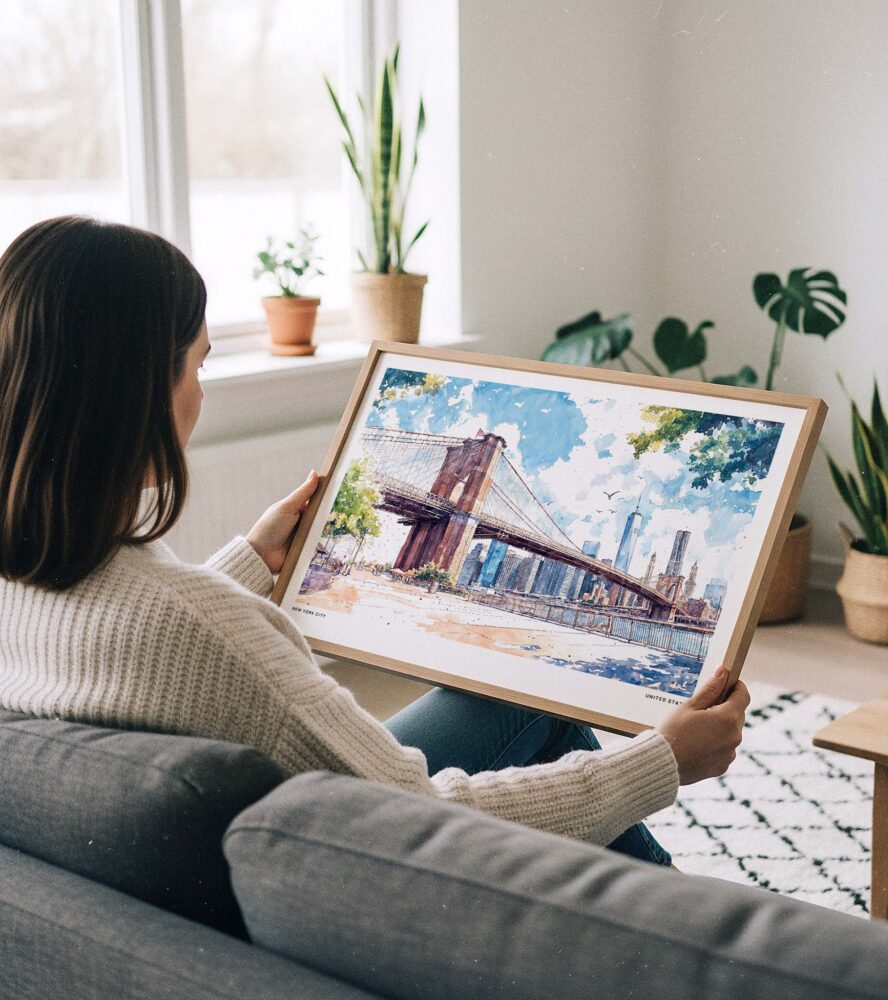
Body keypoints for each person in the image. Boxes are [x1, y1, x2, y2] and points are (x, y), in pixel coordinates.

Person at [0, 217, 749, 866]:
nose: (203, 392)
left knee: (507, 701)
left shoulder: (29, 581)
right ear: (136, 394)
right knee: (550, 722)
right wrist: (660, 761)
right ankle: (694, 934)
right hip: (356, 864)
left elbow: (139, 638)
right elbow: (419, 817)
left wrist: (249, 564)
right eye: (199, 365)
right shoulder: (206, 630)